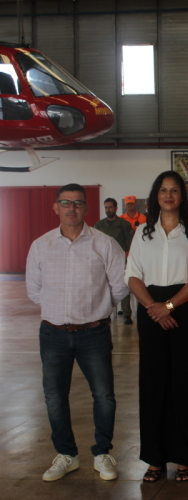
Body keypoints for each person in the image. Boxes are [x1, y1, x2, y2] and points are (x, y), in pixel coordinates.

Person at [26, 183, 129, 482]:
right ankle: (66, 455)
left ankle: (102, 453)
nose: (71, 208)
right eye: (66, 202)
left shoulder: (105, 244)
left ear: (86, 208)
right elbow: (34, 290)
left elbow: (119, 286)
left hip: (93, 333)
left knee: (104, 395)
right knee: (54, 397)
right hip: (53, 334)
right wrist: (60, 311)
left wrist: (97, 309)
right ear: (56, 207)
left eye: (78, 203)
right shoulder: (41, 245)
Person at [125, 171, 188, 482]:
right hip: (150, 310)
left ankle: (185, 457)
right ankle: (155, 458)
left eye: (174, 190)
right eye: (163, 190)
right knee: (153, 383)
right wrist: (154, 307)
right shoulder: (142, 232)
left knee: (185, 382)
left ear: (182, 197)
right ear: (155, 195)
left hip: (184, 309)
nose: (169, 195)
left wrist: (169, 306)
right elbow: (132, 274)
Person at [95, 197, 135, 324]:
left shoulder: (124, 224)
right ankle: (105, 313)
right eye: (106, 207)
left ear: (116, 208)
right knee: (102, 286)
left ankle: (127, 314)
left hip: (119, 259)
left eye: (110, 207)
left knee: (122, 285)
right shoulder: (99, 225)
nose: (108, 210)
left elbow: (131, 241)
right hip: (103, 259)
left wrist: (125, 254)